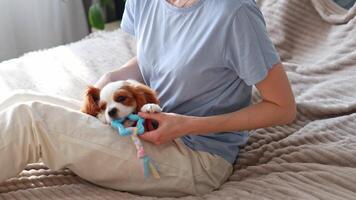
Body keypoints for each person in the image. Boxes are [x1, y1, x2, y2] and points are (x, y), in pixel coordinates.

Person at [0, 0, 296, 197]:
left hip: (196, 156)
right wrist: (111, 78)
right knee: (20, 99)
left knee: (31, 119)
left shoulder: (234, 14)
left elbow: (282, 109)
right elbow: (149, 62)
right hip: (144, 126)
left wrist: (185, 125)